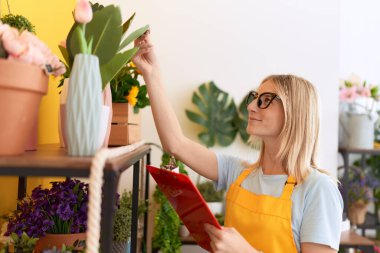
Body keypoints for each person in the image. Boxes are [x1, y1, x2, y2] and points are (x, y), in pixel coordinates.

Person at [133, 31, 343, 253]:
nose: (251, 106)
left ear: (295, 112)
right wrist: (151, 74)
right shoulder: (238, 173)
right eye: (254, 98)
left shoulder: (317, 189)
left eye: (265, 100)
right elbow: (175, 144)